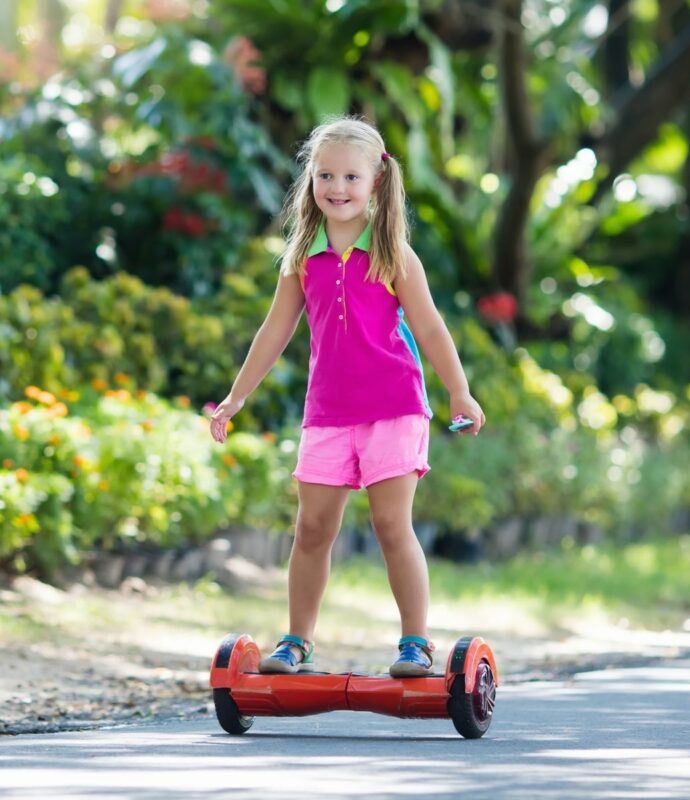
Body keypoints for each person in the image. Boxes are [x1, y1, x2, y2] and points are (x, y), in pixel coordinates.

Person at [208, 116, 485, 678]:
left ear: (375, 183)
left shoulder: (395, 254)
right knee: (311, 530)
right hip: (328, 414)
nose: (337, 188)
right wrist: (236, 397)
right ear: (311, 180)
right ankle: (296, 642)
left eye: (350, 177)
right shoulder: (301, 257)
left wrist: (459, 391)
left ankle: (414, 643)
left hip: (395, 407)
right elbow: (274, 331)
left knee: (390, 525)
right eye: (325, 175)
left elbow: (430, 328)